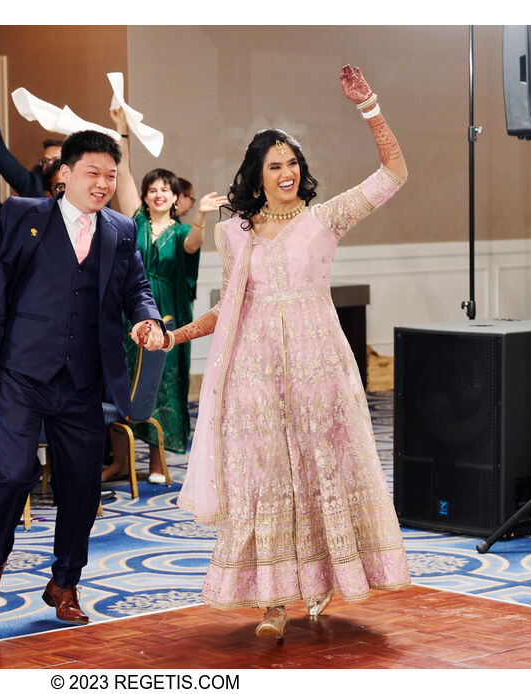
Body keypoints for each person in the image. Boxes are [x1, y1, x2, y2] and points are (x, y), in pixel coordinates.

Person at [150, 65, 411, 640]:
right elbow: (231, 312)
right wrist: (174, 337)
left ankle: (321, 583)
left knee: (321, 472)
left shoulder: (326, 218)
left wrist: (368, 105)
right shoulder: (234, 233)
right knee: (267, 480)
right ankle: (273, 604)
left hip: (320, 368)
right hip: (255, 373)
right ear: (256, 175)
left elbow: (395, 171)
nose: (287, 172)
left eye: (292, 162)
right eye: (276, 165)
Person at [0, 129, 164, 624]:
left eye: (111, 175)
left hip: (84, 381)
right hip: (22, 373)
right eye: (93, 173)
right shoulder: (22, 215)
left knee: (82, 487)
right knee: (13, 472)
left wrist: (146, 318)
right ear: (65, 173)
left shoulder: (120, 230)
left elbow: (137, 286)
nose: (103, 184)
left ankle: (65, 582)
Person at [102, 108, 227, 484]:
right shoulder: (134, 221)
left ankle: (158, 461)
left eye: (165, 190)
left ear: (176, 197)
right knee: (120, 380)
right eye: (152, 189)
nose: (158, 194)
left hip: (168, 315)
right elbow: (121, 172)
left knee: (162, 385)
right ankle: (122, 461)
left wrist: (202, 216)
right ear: (145, 196)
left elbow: (194, 246)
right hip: (129, 312)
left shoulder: (182, 230)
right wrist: (121, 131)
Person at [0, 85, 61, 198]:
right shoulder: (32, 184)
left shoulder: (81, 185)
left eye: (55, 161)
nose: (48, 165)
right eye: (45, 161)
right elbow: (0, 155)